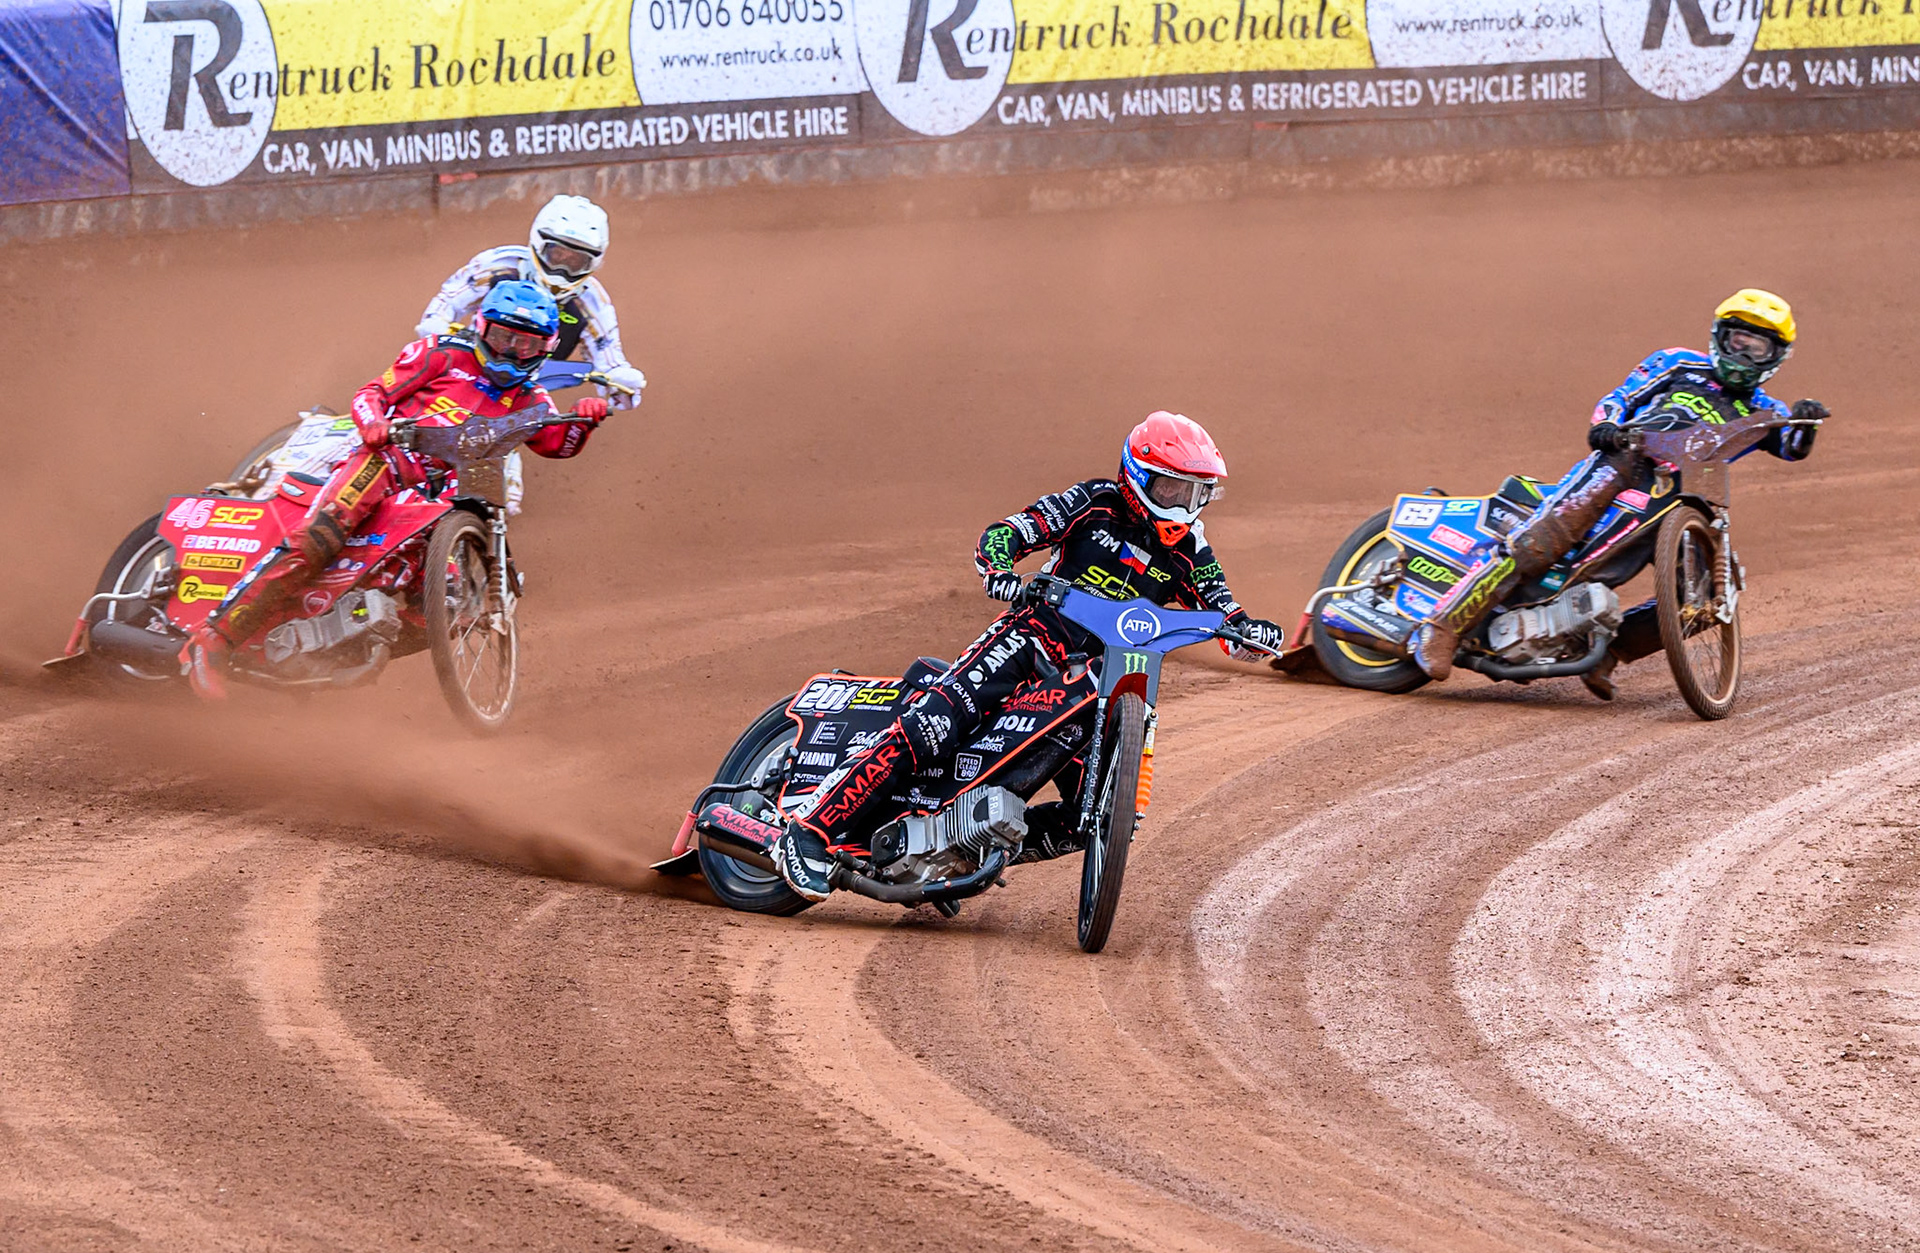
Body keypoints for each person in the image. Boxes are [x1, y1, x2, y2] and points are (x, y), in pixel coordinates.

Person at [768, 411, 1286, 902]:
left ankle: (964, 848)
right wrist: (1000, 570)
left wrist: (1248, 633)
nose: (1182, 502)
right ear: (1138, 476)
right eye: (1172, 487)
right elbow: (1008, 532)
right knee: (936, 724)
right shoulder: (1095, 501)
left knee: (1101, 817)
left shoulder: (1190, 549)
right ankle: (809, 832)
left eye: (1195, 491)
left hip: (1094, 683)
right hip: (1030, 639)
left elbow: (1223, 610)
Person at [177, 281, 611, 700]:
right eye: (502, 337)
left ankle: (333, 648)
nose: (511, 351)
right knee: (322, 536)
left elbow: (556, 444)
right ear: (481, 328)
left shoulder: (532, 399)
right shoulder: (441, 353)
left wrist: (585, 420)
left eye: (526, 344)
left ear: (547, 348)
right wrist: (374, 424)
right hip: (385, 464)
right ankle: (215, 638)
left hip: (443, 497)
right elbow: (371, 393)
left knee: (444, 607)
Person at [1407, 288, 1829, 695]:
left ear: (1776, 357)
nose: (1742, 356)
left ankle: (1607, 653)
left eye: (1756, 348)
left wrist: (1805, 422)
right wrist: (1606, 425)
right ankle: (1442, 626)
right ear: (1720, 337)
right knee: (1542, 541)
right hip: (1626, 458)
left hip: (1688, 492)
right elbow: (1620, 397)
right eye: (1737, 341)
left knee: (1705, 600)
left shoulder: (1766, 410)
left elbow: (1791, 446)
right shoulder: (1678, 364)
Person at [417, 194, 646, 512]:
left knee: (507, 497)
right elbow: (446, 302)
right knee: (420, 407)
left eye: (575, 261)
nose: (562, 268)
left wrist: (621, 383)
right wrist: (439, 326)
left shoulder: (592, 301)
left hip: (525, 386)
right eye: (557, 254)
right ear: (539, 244)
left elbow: (611, 358)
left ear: (592, 262)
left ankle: (486, 533)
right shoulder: (499, 265)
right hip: (474, 361)